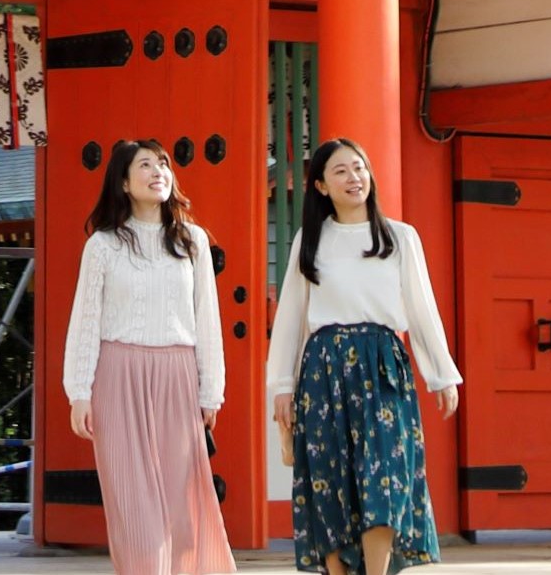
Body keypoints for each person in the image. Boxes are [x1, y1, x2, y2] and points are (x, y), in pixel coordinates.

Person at [266, 138, 457, 575]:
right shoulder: (308, 241)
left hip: (383, 365)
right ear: (320, 186)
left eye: (359, 168)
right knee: (327, 478)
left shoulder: (399, 237)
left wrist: (441, 374)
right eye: (341, 171)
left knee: (385, 476)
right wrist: (282, 386)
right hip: (323, 368)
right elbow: (292, 317)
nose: (354, 178)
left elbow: (421, 308)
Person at [62, 139, 233, 575]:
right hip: (117, 375)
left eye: (163, 164)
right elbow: (86, 321)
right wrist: (79, 391)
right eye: (145, 165)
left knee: (181, 507)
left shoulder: (192, 240)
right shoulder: (102, 246)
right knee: (134, 507)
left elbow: (206, 320)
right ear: (123, 180)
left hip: (177, 374)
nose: (159, 171)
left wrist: (211, 389)